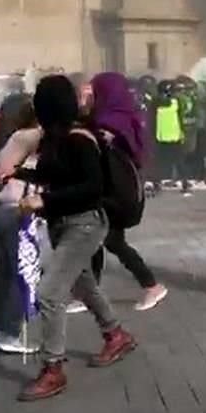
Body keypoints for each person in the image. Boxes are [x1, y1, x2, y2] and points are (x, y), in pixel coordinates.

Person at [13, 74, 136, 402]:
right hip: (63, 224)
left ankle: (53, 369)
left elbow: (92, 187)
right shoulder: (57, 137)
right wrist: (17, 174)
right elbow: (57, 175)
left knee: (50, 292)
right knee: (83, 284)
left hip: (84, 224)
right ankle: (116, 334)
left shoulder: (80, 138)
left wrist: (44, 201)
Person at [78, 72, 168, 313]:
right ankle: (92, 293)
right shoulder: (121, 115)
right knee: (102, 240)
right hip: (113, 188)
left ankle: (150, 285)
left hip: (115, 190)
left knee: (108, 240)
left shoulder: (109, 121)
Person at [0, 93, 41, 353]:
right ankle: (8, 332)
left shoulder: (3, 138)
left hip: (1, 209)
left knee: (7, 272)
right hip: (17, 210)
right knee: (21, 273)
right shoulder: (29, 137)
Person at [154, 79, 190, 194]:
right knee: (175, 161)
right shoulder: (172, 102)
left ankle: (159, 183)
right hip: (170, 136)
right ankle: (183, 183)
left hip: (165, 136)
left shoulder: (158, 102)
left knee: (164, 161)